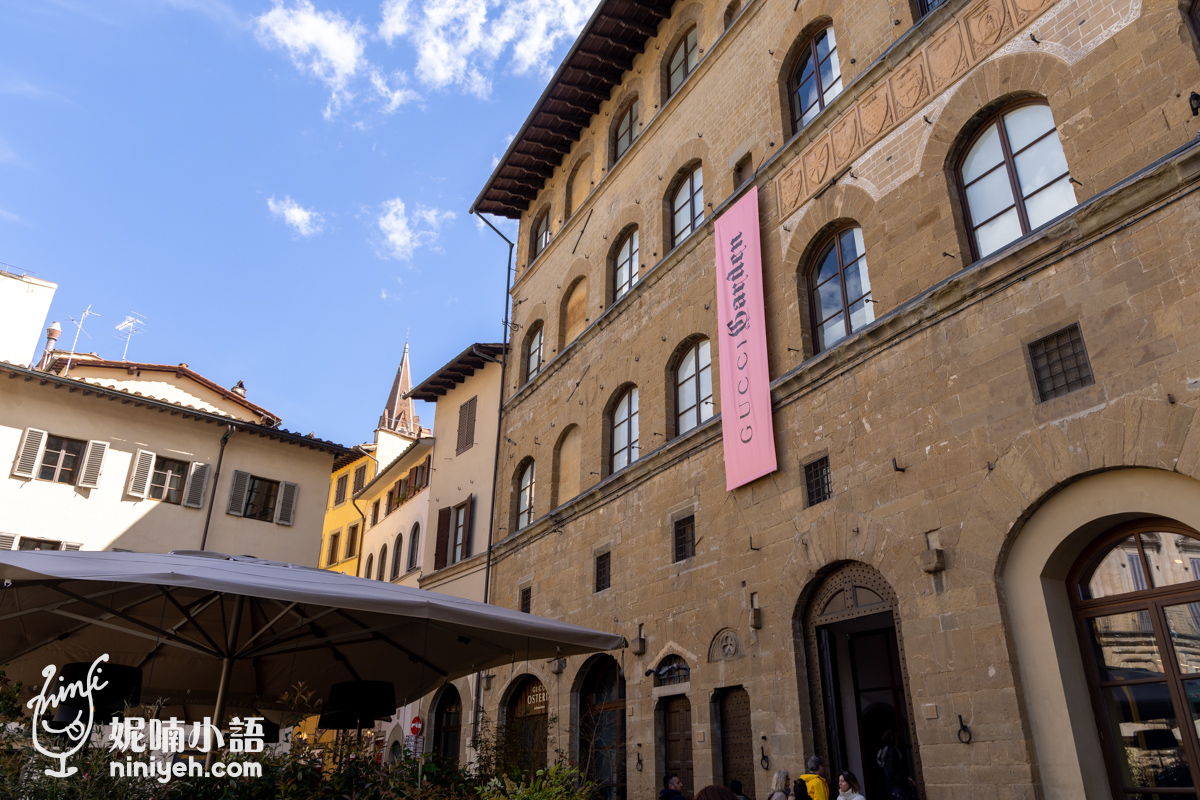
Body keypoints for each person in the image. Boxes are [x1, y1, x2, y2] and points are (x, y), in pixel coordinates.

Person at [877, 730, 916, 800]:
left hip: (892, 786)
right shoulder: (891, 751)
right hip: (896, 786)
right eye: (896, 739)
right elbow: (892, 771)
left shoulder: (885, 751)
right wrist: (905, 782)